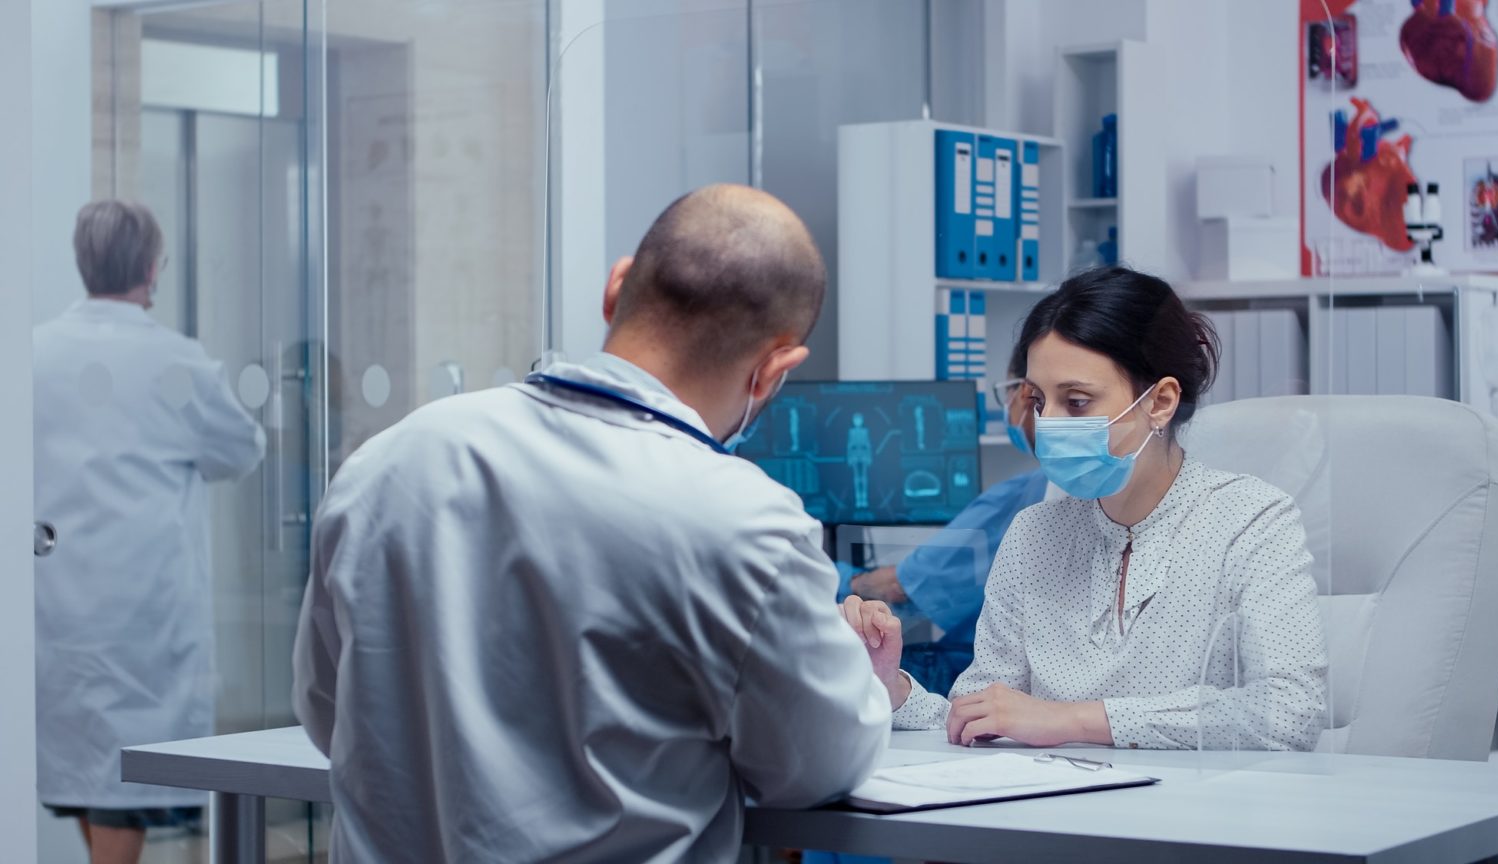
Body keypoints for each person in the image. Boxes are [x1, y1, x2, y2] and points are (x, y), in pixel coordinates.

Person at [292, 184, 893, 863]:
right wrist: (859, 680)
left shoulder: (389, 460)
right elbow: (816, 768)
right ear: (775, 368)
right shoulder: (745, 524)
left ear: (616, 288)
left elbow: (327, 712)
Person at [843, 266, 1328, 751]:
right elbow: (983, 714)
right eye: (1037, 400)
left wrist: (1072, 721)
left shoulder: (1252, 521)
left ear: (1159, 402)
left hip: (1195, 815)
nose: (1047, 424)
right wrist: (893, 689)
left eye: (1075, 402)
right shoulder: (1034, 533)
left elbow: (1290, 712)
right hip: (1052, 809)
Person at [34, 200, 267, 864]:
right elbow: (241, 450)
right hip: (141, 619)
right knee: (117, 786)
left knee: (90, 781)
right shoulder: (175, 363)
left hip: (55, 607)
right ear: (150, 267)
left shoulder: (31, 353)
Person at [843, 467, 1049, 696]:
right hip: (994, 678)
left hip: (966, 670)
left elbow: (900, 587)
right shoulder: (1044, 498)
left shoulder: (1029, 494)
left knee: (840, 668)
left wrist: (845, 582)